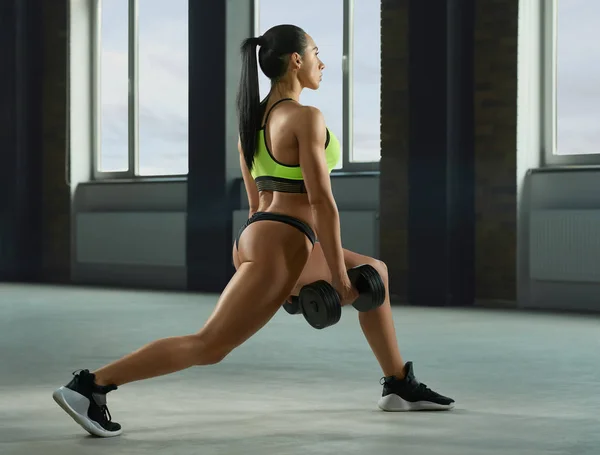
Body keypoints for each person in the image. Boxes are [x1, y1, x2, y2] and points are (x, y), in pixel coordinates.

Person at [52, 24, 454, 439]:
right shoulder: (304, 117)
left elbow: (256, 201)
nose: (322, 62)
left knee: (376, 271)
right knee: (209, 346)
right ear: (296, 60)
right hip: (283, 241)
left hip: (263, 236)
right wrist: (335, 277)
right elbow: (322, 204)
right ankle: (91, 385)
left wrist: (300, 268)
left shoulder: (252, 119)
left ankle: (398, 384)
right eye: (316, 52)